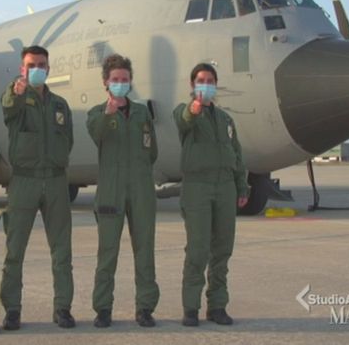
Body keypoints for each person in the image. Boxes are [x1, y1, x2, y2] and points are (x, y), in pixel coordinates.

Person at [0, 45, 75, 330]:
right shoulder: (17, 98)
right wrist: (16, 93)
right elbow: (8, 108)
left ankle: (63, 308)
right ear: (22, 69)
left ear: (48, 69)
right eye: (31, 65)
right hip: (24, 180)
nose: (37, 70)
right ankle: (12, 309)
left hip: (55, 181)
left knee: (62, 250)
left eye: (41, 65)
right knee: (15, 249)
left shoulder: (60, 105)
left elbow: (68, 139)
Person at [172, 63, 249, 327]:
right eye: (201, 81)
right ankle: (190, 308)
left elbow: (236, 154)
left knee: (222, 250)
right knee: (198, 249)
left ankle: (217, 306)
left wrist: (242, 186)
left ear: (216, 85)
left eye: (210, 81)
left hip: (225, 187)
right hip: (198, 187)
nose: (206, 85)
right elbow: (184, 119)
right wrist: (194, 109)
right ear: (192, 85)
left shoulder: (226, 120)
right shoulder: (185, 112)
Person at [86, 54, 160, 328]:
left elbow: (152, 150)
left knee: (145, 251)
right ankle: (103, 308)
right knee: (107, 253)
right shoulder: (97, 114)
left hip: (141, 189)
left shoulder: (142, 113)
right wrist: (108, 115)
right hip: (111, 191)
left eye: (124, 79)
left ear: (130, 82)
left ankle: (145, 308)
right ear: (106, 82)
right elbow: (97, 135)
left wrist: (139, 173)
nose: (120, 83)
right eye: (115, 79)